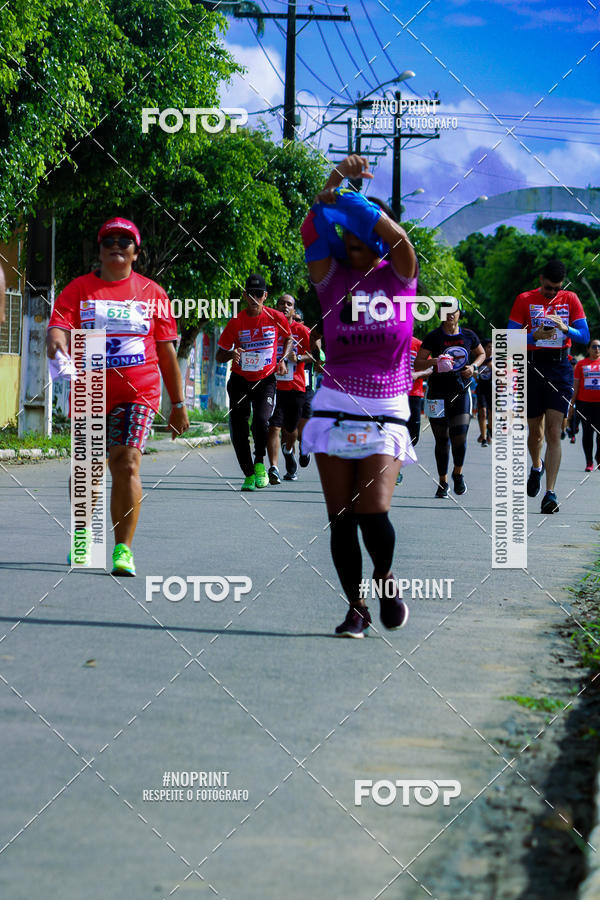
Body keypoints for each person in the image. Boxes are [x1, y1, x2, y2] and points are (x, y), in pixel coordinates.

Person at [300, 154, 418, 638]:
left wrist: (352, 200)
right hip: (333, 405)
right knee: (341, 517)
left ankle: (385, 578)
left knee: (373, 510)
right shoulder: (332, 281)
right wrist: (332, 185)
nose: (349, 244)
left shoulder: (402, 274)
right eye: (344, 237)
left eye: (357, 236)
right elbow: (311, 230)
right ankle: (356, 607)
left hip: (387, 407)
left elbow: (398, 239)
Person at [47, 217, 188, 576]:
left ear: (136, 253)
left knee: (126, 463)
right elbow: (60, 327)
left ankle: (122, 549)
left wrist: (179, 404)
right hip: (90, 387)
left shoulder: (153, 294)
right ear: (99, 249)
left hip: (138, 391)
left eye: (125, 241)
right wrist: (57, 342)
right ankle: (83, 536)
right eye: (108, 239)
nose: (116, 245)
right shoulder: (78, 289)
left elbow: (167, 352)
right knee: (89, 468)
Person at [508, 258, 589, 513]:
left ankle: (550, 493)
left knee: (554, 431)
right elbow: (509, 338)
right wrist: (534, 336)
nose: (552, 292)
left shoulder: (571, 299)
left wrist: (566, 329)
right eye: (548, 288)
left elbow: (584, 336)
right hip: (532, 367)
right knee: (536, 432)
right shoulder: (524, 299)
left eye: (557, 288)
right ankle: (536, 466)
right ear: (541, 279)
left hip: (560, 368)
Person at [216, 274, 292, 491]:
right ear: (244, 295)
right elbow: (219, 355)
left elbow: (288, 337)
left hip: (265, 379)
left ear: (265, 296)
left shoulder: (276, 317)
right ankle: (248, 473)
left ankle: (259, 462)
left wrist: (282, 358)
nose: (254, 298)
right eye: (250, 294)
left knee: (261, 421)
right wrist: (233, 353)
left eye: (259, 294)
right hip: (240, 380)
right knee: (239, 430)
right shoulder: (236, 322)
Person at [414, 306, 485, 498]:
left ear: (460, 313)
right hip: (437, 392)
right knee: (442, 439)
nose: (450, 314)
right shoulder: (433, 336)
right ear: (440, 315)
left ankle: (458, 473)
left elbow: (481, 354)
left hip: (461, 391)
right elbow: (418, 363)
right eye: (445, 311)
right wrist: (434, 361)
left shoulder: (469, 335)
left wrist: (473, 367)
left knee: (459, 437)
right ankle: (443, 481)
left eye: (454, 310)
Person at [266, 294, 312, 483]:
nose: (285, 306)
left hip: (296, 385)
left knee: (291, 429)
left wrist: (299, 359)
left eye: (289, 304)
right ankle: (274, 468)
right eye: (281, 303)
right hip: (272, 385)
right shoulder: (269, 328)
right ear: (276, 306)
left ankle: (288, 449)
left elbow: (314, 355)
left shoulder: (301, 330)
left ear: (294, 309)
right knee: (274, 426)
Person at [397, 335, 432, 485]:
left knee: (413, 436)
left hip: (414, 394)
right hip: (392, 394)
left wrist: (417, 374)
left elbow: (431, 367)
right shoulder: (388, 341)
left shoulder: (419, 344)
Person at [568, 338, 600, 471]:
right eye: (594, 347)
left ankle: (599, 456)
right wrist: (572, 404)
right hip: (584, 404)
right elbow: (575, 386)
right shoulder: (581, 364)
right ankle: (589, 462)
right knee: (587, 433)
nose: (597, 349)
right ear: (588, 349)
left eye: (599, 347)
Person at [476, 339, 493, 447]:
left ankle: (488, 431)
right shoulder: (479, 360)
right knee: (483, 412)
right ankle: (483, 438)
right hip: (482, 388)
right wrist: (474, 374)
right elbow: (477, 378)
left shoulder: (496, 361)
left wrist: (493, 367)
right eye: (488, 347)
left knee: (492, 416)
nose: (491, 349)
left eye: (492, 347)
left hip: (493, 389)